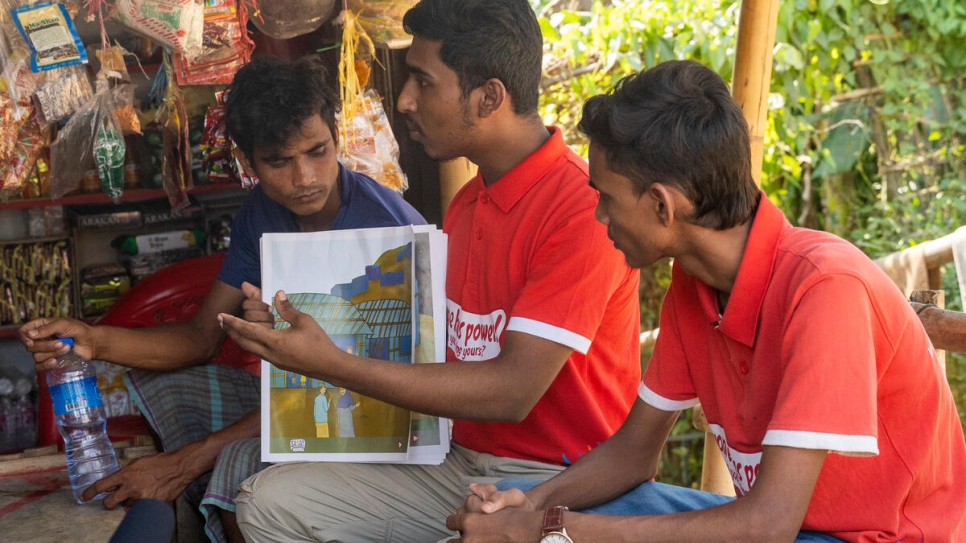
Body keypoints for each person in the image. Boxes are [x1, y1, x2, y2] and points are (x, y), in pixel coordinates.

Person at [446, 60, 966, 543]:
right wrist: (527, 506)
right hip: (792, 528)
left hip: (876, 537)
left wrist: (550, 529)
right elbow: (632, 454)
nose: (599, 215)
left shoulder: (825, 287)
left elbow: (767, 525)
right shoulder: (693, 286)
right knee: (618, 500)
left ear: (661, 205)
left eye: (605, 195)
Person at [217, 0, 642, 541]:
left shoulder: (581, 208)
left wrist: (331, 364)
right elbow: (425, 348)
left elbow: (512, 393)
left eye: (422, 80)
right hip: (457, 463)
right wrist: (292, 323)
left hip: (559, 478)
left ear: (489, 96)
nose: (405, 100)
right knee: (268, 504)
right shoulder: (467, 203)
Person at [17, 54, 427, 543]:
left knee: (235, 468)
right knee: (170, 386)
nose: (305, 178)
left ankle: (210, 492)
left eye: (318, 151)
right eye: (278, 162)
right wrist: (93, 340)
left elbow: (394, 388)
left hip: (372, 413)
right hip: (292, 401)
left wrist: (185, 461)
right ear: (248, 162)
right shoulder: (261, 213)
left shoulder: (392, 228)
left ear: (335, 136)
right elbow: (199, 338)